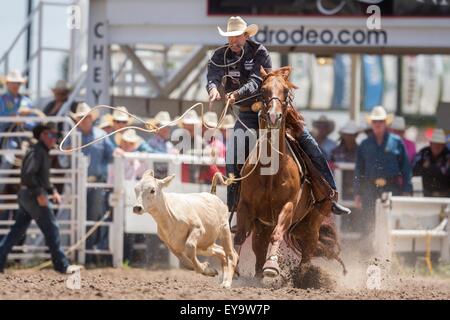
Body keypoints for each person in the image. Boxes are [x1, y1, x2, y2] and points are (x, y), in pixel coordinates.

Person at [206, 16, 350, 216]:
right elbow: (212, 75)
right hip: (247, 114)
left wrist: (236, 94)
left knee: (309, 144)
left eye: (237, 36)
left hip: (271, 109)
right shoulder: (219, 55)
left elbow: (257, 81)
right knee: (233, 154)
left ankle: (329, 195)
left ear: (246, 36)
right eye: (230, 37)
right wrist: (212, 88)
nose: (233, 41)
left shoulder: (259, 52)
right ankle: (233, 205)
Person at [0, 123, 79, 274]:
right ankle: (62, 265)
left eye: (55, 136)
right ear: (43, 135)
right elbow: (29, 175)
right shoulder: (38, 152)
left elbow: (38, 176)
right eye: (51, 135)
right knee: (52, 228)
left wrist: (52, 190)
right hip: (33, 196)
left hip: (26, 196)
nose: (54, 139)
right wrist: (40, 193)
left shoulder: (38, 151)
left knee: (16, 231)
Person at [354, 106, 412, 252]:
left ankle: (392, 254)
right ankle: (367, 255)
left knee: (390, 222)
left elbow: (405, 168)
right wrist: (357, 193)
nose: (377, 124)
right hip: (369, 188)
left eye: (380, 121)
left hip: (391, 187)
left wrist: (407, 189)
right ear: (372, 123)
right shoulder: (364, 144)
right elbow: (358, 170)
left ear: (385, 122)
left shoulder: (397, 142)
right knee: (368, 220)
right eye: (375, 121)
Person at [70, 102, 114, 260]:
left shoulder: (101, 135)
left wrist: (119, 153)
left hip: (96, 183)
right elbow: (63, 160)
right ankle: (78, 251)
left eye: (86, 117)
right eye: (81, 117)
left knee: (94, 216)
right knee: (75, 217)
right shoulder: (72, 136)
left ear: (91, 118)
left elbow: (111, 155)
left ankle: (88, 251)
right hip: (75, 183)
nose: (84, 120)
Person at [412, 128, 450, 197]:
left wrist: (428, 168)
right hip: (426, 193)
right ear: (430, 143)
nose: (437, 146)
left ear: (444, 145)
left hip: (445, 194)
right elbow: (414, 170)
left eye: (440, 144)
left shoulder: (448, 155)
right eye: (435, 143)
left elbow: (446, 173)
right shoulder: (423, 153)